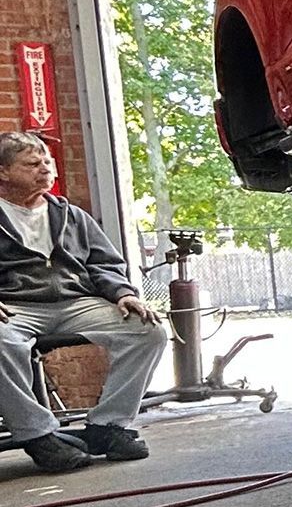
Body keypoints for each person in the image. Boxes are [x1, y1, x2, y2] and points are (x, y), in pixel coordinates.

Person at [0, 131, 168, 473]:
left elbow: (104, 263)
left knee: (147, 330)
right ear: (3, 172)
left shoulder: (71, 215)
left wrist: (125, 294)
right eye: (32, 163)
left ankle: (109, 426)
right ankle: (37, 436)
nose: (45, 169)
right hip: (14, 306)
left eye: (47, 161)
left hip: (77, 302)